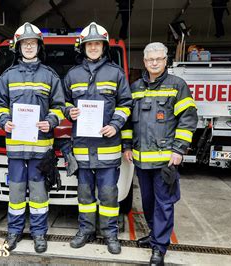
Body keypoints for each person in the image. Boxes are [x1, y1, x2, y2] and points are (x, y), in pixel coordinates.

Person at [0, 22, 65, 253]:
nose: (29, 47)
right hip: (15, 148)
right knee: (15, 193)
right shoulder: (7, 76)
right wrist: (4, 120)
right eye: (25, 43)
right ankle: (13, 232)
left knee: (39, 194)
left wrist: (51, 121)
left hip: (40, 147)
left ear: (38, 46)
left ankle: (39, 234)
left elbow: (59, 106)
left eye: (32, 43)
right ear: (18, 47)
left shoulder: (50, 76)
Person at [123, 42, 198, 265]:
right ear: (144, 62)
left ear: (166, 61)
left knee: (164, 203)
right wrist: (127, 146)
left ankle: (159, 247)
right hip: (141, 160)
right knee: (147, 202)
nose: (154, 63)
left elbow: (188, 118)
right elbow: (127, 121)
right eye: (150, 59)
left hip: (166, 160)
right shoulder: (135, 87)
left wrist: (178, 150)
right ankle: (155, 236)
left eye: (159, 59)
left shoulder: (178, 85)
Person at [63, 22, 132, 255]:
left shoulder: (116, 73)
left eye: (97, 44)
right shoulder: (72, 75)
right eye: (89, 44)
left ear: (104, 46)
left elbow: (126, 103)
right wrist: (68, 111)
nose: (93, 48)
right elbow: (62, 102)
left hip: (108, 148)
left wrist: (115, 125)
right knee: (84, 195)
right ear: (83, 48)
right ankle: (85, 231)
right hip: (82, 149)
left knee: (109, 195)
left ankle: (110, 234)